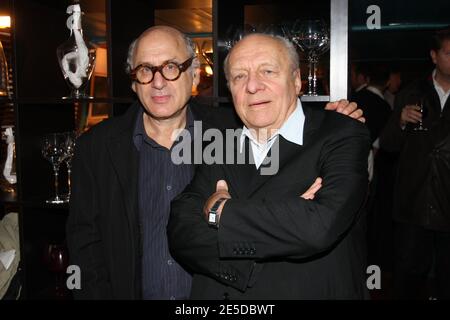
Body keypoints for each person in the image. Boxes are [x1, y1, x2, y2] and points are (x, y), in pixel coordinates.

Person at [66, 26, 363, 300]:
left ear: (194, 75)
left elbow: (318, 226)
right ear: (134, 81)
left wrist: (221, 211)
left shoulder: (222, 132)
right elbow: (175, 231)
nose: (158, 82)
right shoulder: (97, 146)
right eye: (145, 70)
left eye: (171, 67)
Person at [168, 33, 371, 299]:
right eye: (240, 76)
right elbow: (181, 230)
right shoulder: (221, 141)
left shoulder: (341, 132)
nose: (253, 86)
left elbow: (319, 227)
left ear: (297, 80)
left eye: (268, 71)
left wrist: (220, 211)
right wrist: (288, 220)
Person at [380, 28, 450, 299]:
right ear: (434, 56)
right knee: (408, 277)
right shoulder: (412, 92)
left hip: (447, 199)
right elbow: (388, 144)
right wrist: (399, 121)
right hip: (414, 202)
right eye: (448, 52)